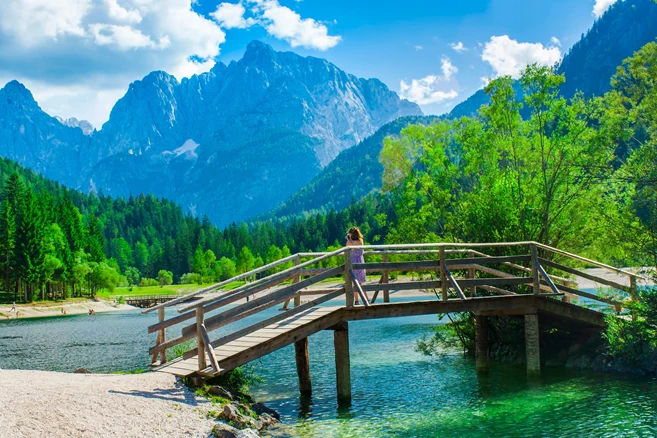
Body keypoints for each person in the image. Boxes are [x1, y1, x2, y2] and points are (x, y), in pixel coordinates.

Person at [346, 227, 368, 305]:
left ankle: (357, 301)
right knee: (360, 282)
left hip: (353, 261)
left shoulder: (350, 242)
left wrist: (349, 239)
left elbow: (348, 247)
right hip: (360, 261)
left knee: (354, 282)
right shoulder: (360, 240)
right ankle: (366, 299)